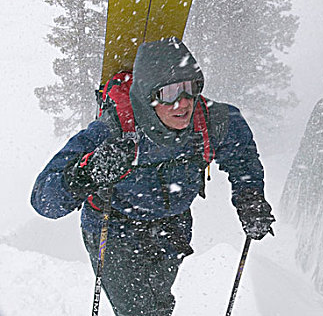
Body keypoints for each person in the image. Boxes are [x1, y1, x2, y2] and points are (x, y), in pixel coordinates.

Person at [31, 37, 275, 315]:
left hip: (171, 226)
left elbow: (241, 156)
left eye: (189, 88)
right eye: (169, 92)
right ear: (148, 96)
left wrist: (250, 198)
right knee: (139, 310)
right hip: (114, 231)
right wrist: (88, 174)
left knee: (159, 303)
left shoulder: (210, 120)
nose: (181, 103)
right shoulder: (113, 130)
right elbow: (44, 200)